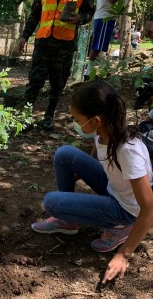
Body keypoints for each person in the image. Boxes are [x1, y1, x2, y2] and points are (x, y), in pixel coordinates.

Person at [31, 80, 153, 283]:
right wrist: (80, 171)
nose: (75, 124)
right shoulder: (103, 133)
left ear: (95, 120)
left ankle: (121, 227)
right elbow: (98, 159)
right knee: (64, 154)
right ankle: (68, 221)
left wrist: (124, 254)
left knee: (52, 202)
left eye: (78, 120)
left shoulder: (128, 152)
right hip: (113, 188)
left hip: (126, 209)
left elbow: (148, 209)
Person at [18, 0, 94, 131]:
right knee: (34, 81)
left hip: (65, 45)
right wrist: (24, 36)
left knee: (57, 83)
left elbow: (89, 13)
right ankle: (25, 118)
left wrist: (80, 19)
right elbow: (35, 14)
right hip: (43, 42)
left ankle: (49, 116)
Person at [84, 0, 133, 80]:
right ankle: (89, 75)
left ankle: (92, 73)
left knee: (97, 46)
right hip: (106, 16)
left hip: (99, 14)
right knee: (97, 47)